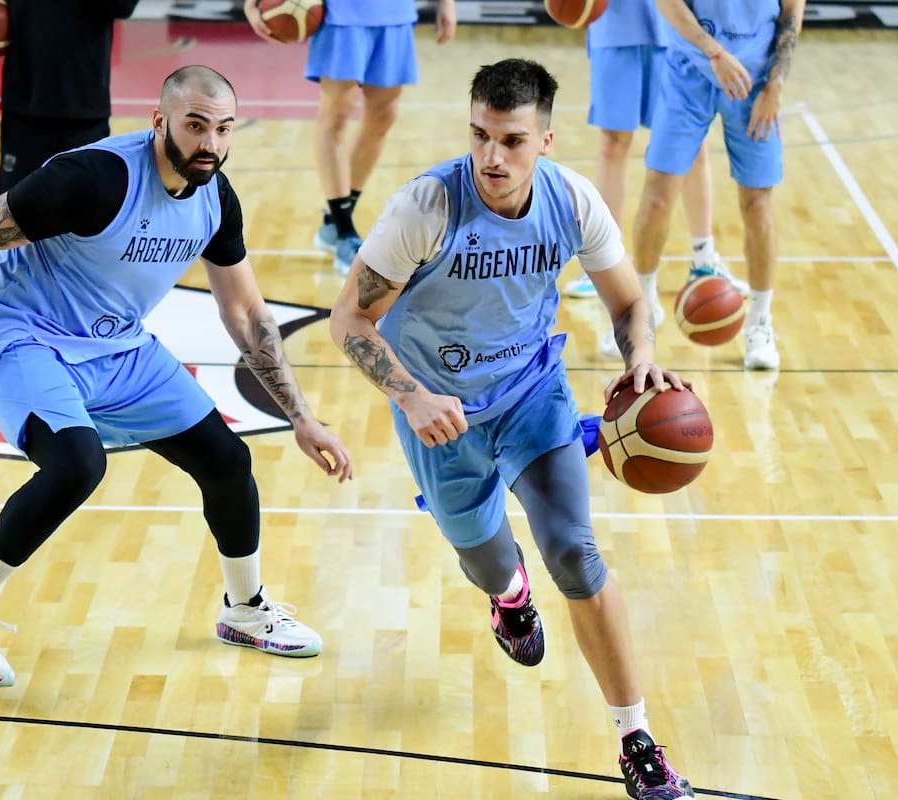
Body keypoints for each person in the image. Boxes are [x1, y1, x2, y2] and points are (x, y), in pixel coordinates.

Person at [0, 65, 353, 688]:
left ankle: (244, 610)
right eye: (196, 126)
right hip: (19, 331)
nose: (211, 144)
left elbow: (246, 311)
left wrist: (301, 416)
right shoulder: (92, 179)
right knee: (77, 463)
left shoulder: (215, 199)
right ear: (160, 121)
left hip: (116, 345)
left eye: (223, 129)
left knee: (225, 460)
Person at [329, 58, 695, 799]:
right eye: (480, 135)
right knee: (490, 563)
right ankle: (508, 597)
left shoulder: (574, 201)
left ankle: (636, 736)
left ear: (547, 140)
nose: (492, 157)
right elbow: (350, 319)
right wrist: (409, 395)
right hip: (443, 414)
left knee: (576, 552)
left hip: (532, 394)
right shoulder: (426, 206)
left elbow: (629, 305)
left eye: (512, 140)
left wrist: (645, 357)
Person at [625, 0, 805, 370]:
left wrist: (776, 85)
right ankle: (640, 314)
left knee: (757, 204)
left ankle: (759, 322)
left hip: (755, 81)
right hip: (690, 72)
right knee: (658, 197)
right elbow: (668, 4)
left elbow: (791, 15)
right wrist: (714, 52)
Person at [243, 0, 457, 275]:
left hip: (395, 11)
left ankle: (334, 223)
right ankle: (345, 230)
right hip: (341, 11)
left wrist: (447, 3)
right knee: (336, 116)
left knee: (383, 116)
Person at [565, 0, 747, 310]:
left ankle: (704, 257)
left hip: (678, 27)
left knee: (693, 145)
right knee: (613, 143)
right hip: (615, 26)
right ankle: (602, 262)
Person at [0, 0, 140, 197]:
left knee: (88, 212)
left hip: (86, 109)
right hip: (25, 105)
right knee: (10, 212)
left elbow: (123, 7)